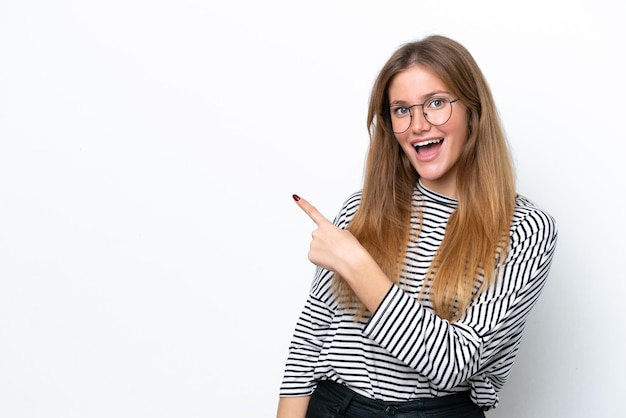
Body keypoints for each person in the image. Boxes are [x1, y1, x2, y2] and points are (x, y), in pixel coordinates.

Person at [276, 34, 558, 418]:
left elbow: (454, 363)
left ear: (474, 111)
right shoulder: (361, 209)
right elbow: (310, 338)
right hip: (335, 407)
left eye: (437, 103)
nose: (418, 124)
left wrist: (358, 266)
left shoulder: (526, 229)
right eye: (401, 110)